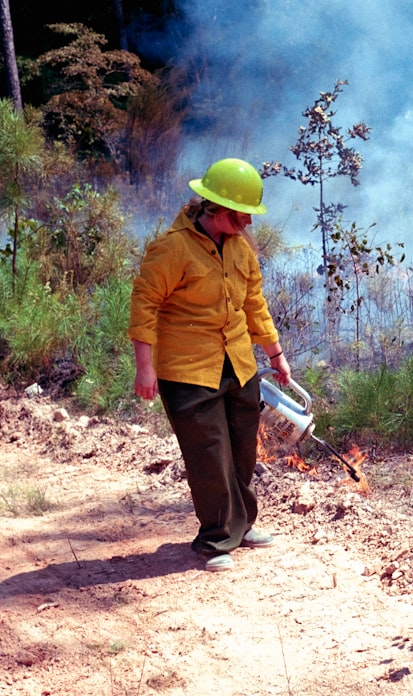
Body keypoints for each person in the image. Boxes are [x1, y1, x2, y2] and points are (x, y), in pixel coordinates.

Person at [129, 158, 292, 572]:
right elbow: (144, 304)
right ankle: (215, 539)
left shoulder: (240, 249)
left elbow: (255, 305)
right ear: (217, 208)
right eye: (242, 214)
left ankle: (241, 525)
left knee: (241, 452)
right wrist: (144, 367)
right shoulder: (172, 248)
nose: (248, 223)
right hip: (188, 370)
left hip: (238, 364)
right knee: (209, 456)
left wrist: (276, 355)